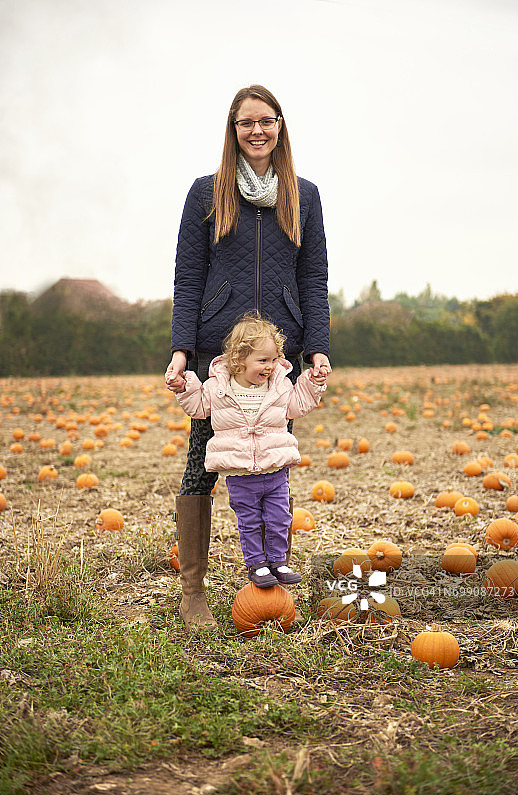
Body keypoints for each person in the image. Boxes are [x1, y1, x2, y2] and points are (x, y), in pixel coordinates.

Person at [165, 84, 331, 630]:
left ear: (280, 126)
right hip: (219, 352)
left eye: (266, 121)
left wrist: (317, 348)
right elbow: (188, 278)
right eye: (246, 122)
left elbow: (314, 279)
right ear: (233, 130)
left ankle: (267, 582)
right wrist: (181, 350)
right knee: (203, 465)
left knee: (272, 463)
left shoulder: (304, 196)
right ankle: (193, 591)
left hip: (276, 356)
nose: (257, 131)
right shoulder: (205, 193)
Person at [172, 313, 327, 590]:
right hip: (241, 474)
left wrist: (313, 383)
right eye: (263, 360)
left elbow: (299, 404)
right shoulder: (218, 388)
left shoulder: (279, 386)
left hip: (275, 471)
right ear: (239, 359)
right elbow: (198, 407)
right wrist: (184, 387)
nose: (270, 366)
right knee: (250, 522)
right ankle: (257, 564)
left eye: (274, 359)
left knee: (280, 519)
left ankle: (278, 561)